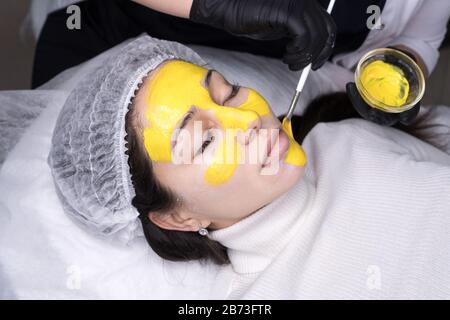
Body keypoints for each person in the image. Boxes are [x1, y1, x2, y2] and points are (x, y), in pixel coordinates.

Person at [48, 35, 450, 298]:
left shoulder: (344, 136)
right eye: (204, 140)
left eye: (229, 93)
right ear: (178, 217)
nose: (249, 120)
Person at [33, 0, 450, 126]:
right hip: (118, 27)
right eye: (203, 137)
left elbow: (420, 37)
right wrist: (215, 6)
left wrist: (404, 68)